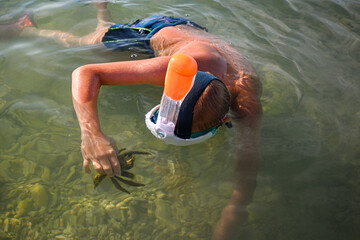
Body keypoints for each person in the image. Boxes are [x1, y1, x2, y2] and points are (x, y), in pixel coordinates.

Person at [5, 1, 262, 239]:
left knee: (102, 39)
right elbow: (85, 73)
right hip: (152, 33)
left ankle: (103, 19)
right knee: (83, 44)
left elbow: (246, 170)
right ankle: (26, 28)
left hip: (190, 33)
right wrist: (91, 133)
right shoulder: (175, 67)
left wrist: (234, 211)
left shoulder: (248, 106)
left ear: (224, 119)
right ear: (173, 84)